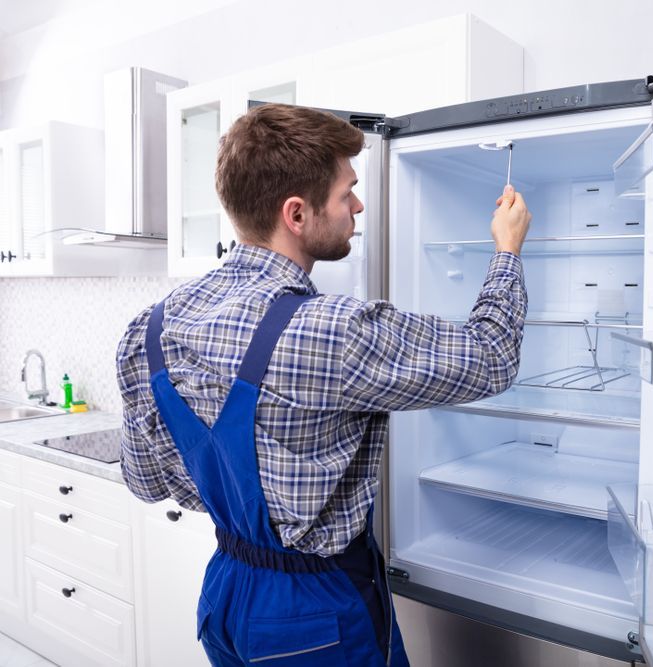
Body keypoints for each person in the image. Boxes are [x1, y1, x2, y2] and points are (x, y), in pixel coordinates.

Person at [116, 103, 531, 666]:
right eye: (346, 193)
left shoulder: (150, 329)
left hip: (227, 595)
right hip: (314, 616)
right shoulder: (331, 333)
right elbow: (491, 356)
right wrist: (507, 250)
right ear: (296, 213)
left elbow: (146, 481)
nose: (359, 205)